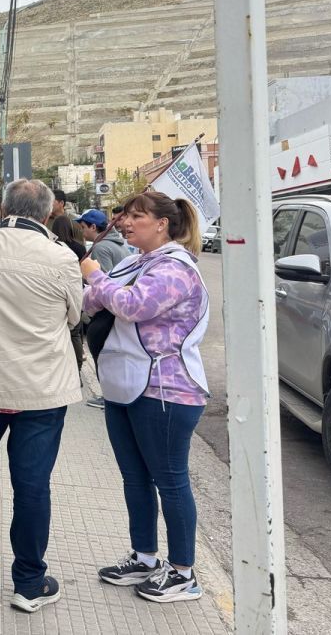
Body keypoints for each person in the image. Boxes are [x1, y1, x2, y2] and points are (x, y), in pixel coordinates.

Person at [0, 179, 82, 613]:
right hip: (41, 390)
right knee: (31, 485)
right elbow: (74, 315)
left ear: (2, 206)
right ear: (48, 213)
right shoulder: (63, 257)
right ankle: (28, 580)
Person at [82, 192, 210, 604]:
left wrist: (96, 278)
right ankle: (144, 557)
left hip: (167, 390)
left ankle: (183, 572)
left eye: (137, 216)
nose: (126, 222)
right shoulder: (131, 261)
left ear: (163, 224)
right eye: (126, 215)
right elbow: (90, 304)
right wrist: (101, 286)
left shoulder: (175, 268)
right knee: (134, 478)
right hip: (122, 385)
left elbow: (132, 306)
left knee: (170, 481)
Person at [50, 215, 105, 410]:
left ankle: (60, 373)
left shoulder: (52, 247)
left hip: (55, 293)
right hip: (76, 293)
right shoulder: (79, 247)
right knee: (75, 334)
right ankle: (77, 373)